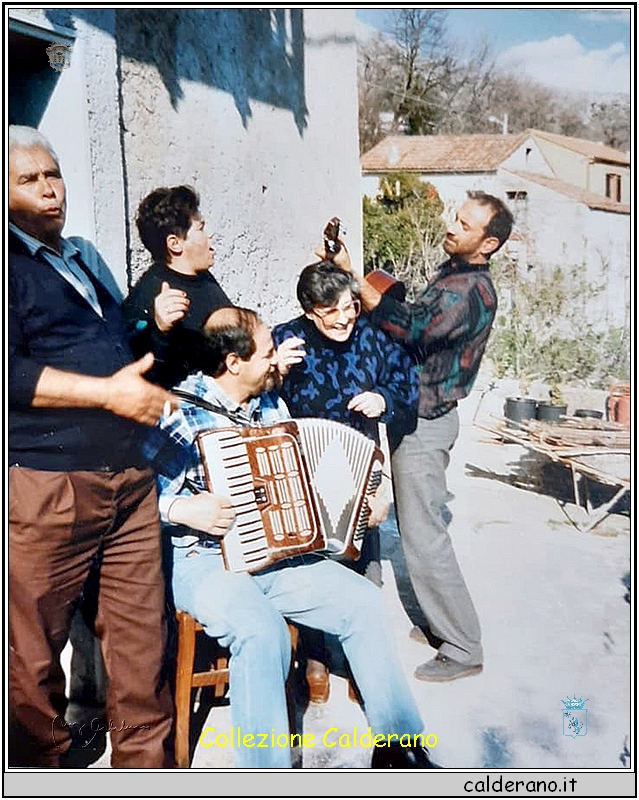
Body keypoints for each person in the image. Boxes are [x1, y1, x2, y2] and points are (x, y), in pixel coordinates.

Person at [143, 306, 438, 770]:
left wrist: (369, 491)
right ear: (234, 362)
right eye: (266, 352)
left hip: (272, 553)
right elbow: (137, 497)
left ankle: (399, 747)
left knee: (362, 601)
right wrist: (185, 508)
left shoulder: (269, 405)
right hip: (202, 559)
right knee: (262, 632)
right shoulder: (177, 411)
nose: (276, 360)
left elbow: (303, 475)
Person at [8, 125, 177, 768]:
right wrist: (108, 394)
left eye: (54, 176)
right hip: (50, 489)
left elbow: (119, 353)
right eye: (29, 180)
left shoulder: (77, 257)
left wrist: (152, 363)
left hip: (130, 482)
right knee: (30, 667)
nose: (51, 191)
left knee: (140, 657)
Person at [328, 191, 514, 683]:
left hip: (428, 424)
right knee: (416, 530)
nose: (451, 224)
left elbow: (411, 328)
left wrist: (353, 281)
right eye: (456, 215)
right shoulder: (454, 272)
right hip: (419, 415)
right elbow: (411, 317)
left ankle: (462, 644)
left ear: (488, 243)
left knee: (425, 538)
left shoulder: (470, 290)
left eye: (465, 223)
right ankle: (438, 621)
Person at [272, 261, 419, 702]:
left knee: (361, 563)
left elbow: (407, 386)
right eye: (329, 311)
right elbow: (246, 395)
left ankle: (361, 661)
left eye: (350, 309)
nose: (342, 320)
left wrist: (384, 398)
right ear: (308, 309)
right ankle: (315, 658)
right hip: (302, 467)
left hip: (358, 466)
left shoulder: (372, 338)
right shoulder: (284, 338)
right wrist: (274, 371)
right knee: (311, 566)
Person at [122, 185, 231, 389]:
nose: (210, 236)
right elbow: (140, 375)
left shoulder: (204, 279)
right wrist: (160, 330)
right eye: (200, 228)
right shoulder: (150, 296)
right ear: (175, 244)